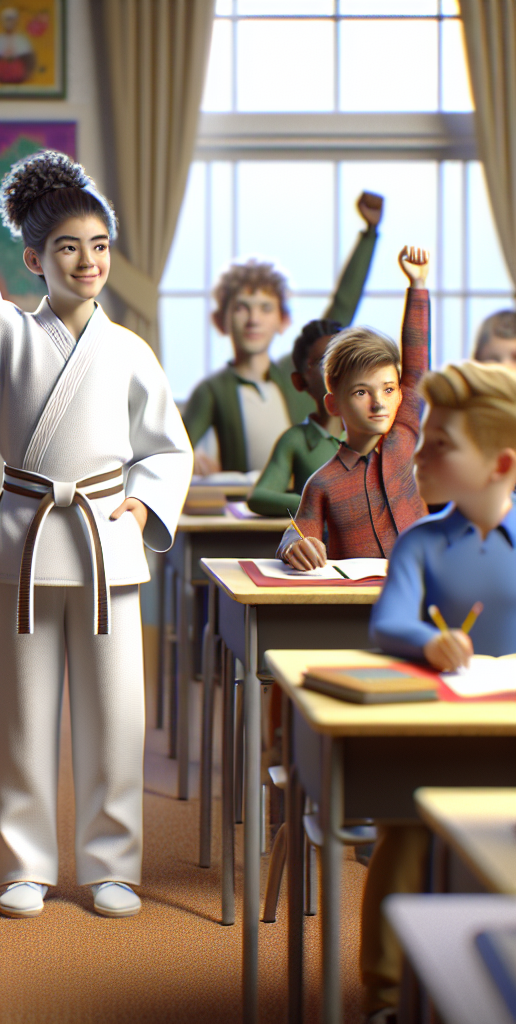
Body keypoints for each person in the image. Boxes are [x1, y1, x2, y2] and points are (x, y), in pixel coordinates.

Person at [0, 85, 192, 919]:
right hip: (27, 540)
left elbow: (168, 446)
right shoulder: (3, 338)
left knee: (116, 717)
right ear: (33, 259)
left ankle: (110, 863)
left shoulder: (130, 352)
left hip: (104, 543)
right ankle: (21, 863)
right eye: (66, 247)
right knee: (20, 720)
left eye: (98, 245)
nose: (86, 261)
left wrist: (146, 505)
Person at [362, 360, 516, 1023]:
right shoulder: (420, 544)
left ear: (501, 464)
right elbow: (389, 621)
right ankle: (387, 996)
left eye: (440, 446)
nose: (417, 455)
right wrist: (429, 644)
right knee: (405, 836)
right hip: (436, 723)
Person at [185, 192, 383, 475]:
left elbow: (342, 309)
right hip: (246, 509)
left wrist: (369, 234)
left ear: (283, 319)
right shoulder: (212, 391)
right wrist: (195, 463)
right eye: (242, 308)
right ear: (222, 320)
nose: (254, 320)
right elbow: (173, 450)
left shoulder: (299, 371)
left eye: (266, 308)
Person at [277, 247, 430, 569]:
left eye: (389, 390)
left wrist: (418, 287)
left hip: (424, 589)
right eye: (361, 392)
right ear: (333, 404)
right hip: (354, 602)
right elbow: (297, 530)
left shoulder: (402, 440)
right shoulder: (322, 483)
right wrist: (295, 545)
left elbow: (416, 369)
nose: (378, 403)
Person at [247, 318, 345, 516]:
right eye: (325, 363)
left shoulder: (370, 435)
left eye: (346, 360)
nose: (339, 371)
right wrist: (317, 504)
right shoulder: (295, 440)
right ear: (300, 381)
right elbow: (259, 496)